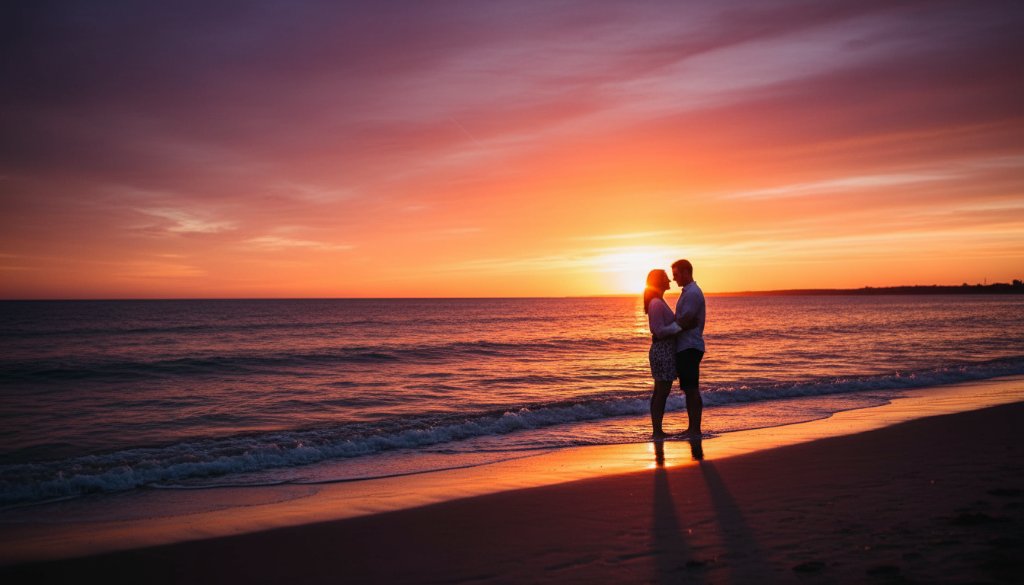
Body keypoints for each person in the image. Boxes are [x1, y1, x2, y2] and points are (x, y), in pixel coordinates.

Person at [644, 269, 682, 438]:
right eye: (666, 278)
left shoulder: (658, 301)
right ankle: (657, 431)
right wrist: (679, 327)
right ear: (659, 281)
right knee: (662, 392)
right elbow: (659, 331)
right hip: (662, 350)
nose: (670, 280)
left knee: (659, 391)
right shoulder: (656, 303)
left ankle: (657, 430)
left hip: (662, 350)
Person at [671, 259, 706, 437]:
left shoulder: (692, 293)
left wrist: (666, 330)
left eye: (676, 274)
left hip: (689, 346)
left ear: (686, 272)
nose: (674, 278)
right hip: (687, 346)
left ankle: (694, 429)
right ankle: (692, 428)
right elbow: (684, 320)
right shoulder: (688, 292)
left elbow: (685, 320)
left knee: (691, 389)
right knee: (689, 388)